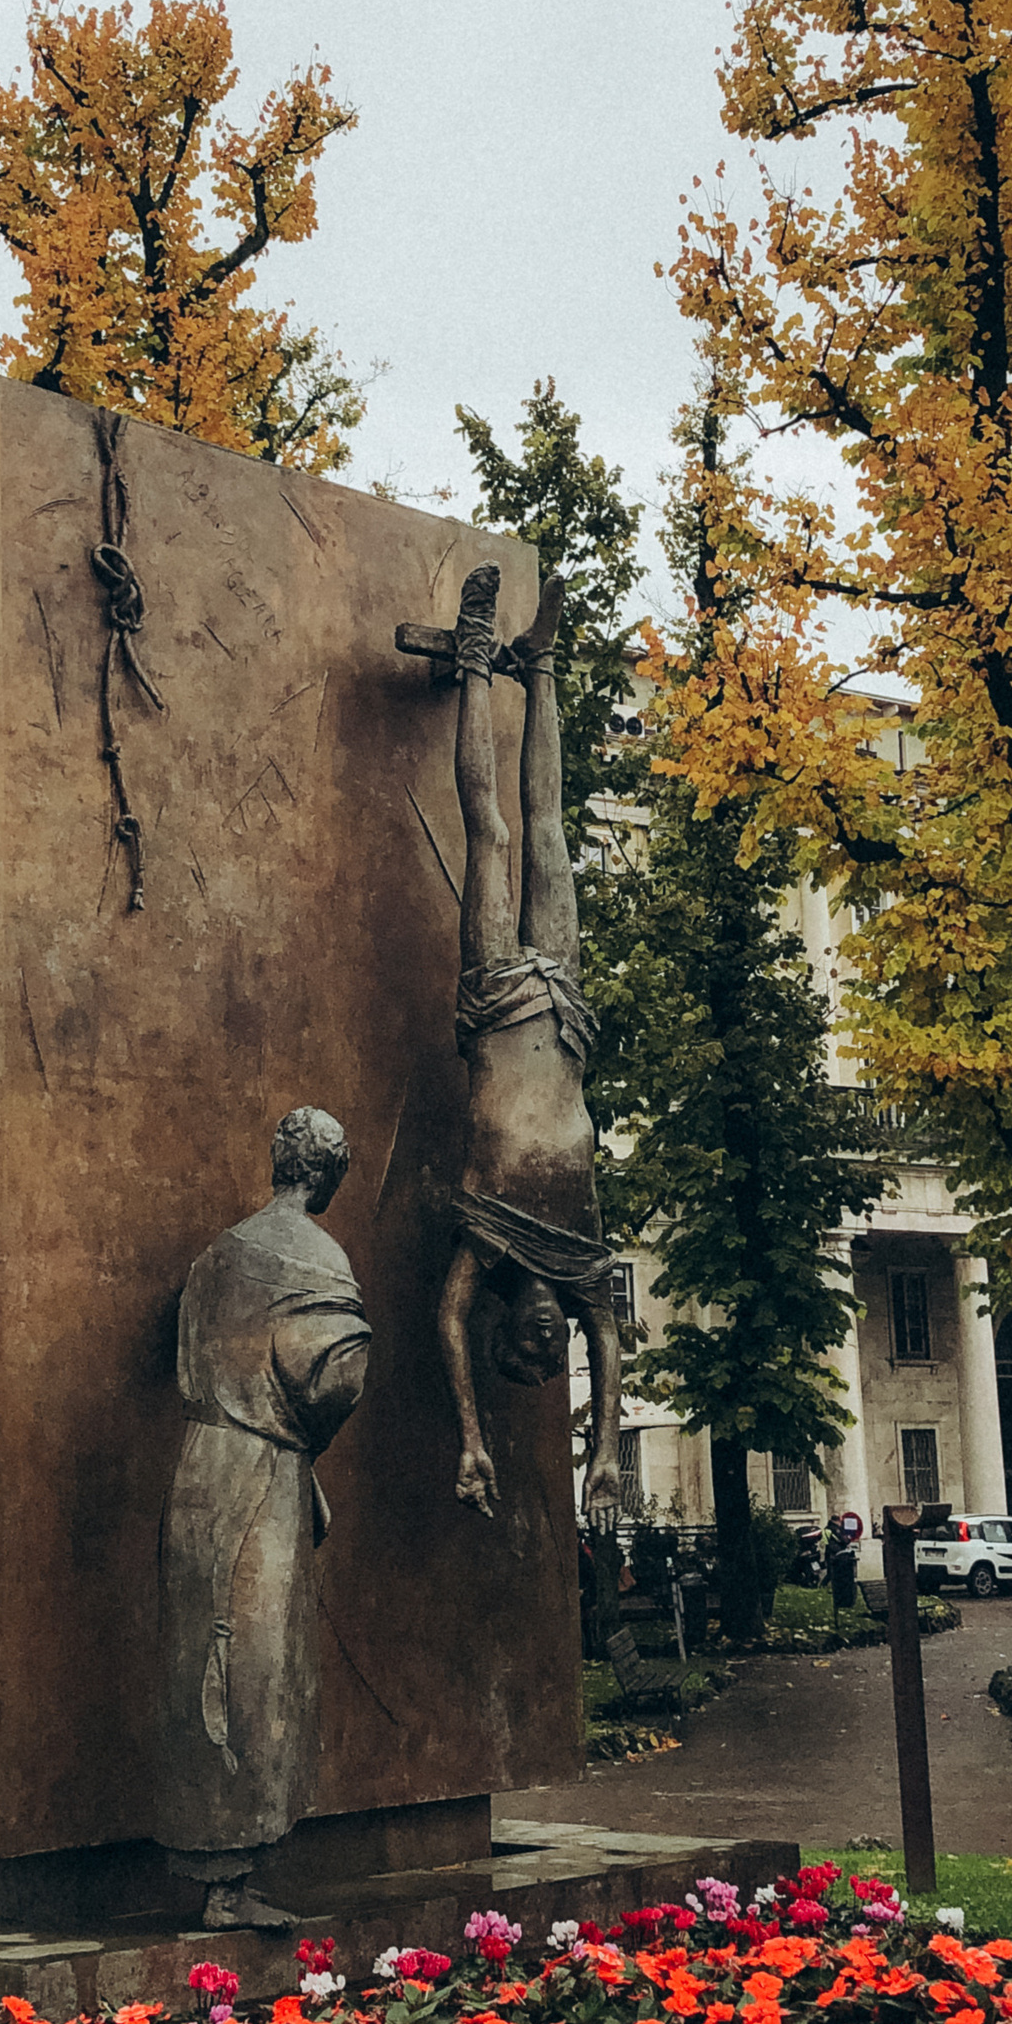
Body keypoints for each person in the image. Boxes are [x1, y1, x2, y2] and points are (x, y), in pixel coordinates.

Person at [433, 564, 624, 1527]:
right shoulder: (583, 1263)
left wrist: (473, 1435)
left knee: (493, 836)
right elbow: (612, 1341)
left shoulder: (490, 1245)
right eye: (558, 1353)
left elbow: (446, 1321)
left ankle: (477, 656)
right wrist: (603, 1453)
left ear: (513, 1330)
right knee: (551, 837)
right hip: (565, 1013)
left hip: (501, 1005)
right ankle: (541, 667)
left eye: (532, 1351)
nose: (551, 1345)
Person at [152, 1105, 374, 1931]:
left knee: (202, 1665)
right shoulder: (316, 1255)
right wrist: (304, 1438)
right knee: (248, 1664)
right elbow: (337, 1374)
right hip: (261, 1473)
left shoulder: (215, 1256)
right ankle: (227, 1883)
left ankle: (219, 1870)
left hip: (196, 1470)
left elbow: (185, 1357)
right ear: (331, 1170)